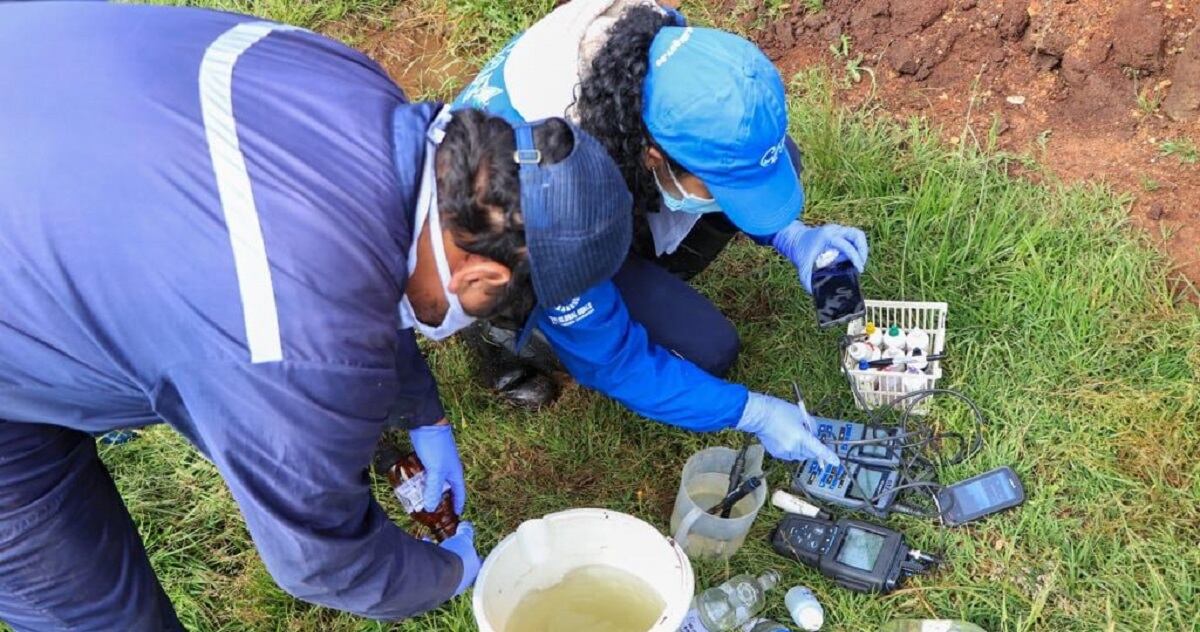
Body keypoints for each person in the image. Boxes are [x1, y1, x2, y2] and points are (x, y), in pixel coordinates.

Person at [0, 3, 633, 629]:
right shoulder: (296, 345)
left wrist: (424, 414)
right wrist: (450, 573)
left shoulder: (354, 86)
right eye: (491, 309)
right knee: (100, 616)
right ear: (485, 276)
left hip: (33, 102)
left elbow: (367, 260)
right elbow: (322, 560)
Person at [456, 2, 865, 440]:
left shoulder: (657, 43)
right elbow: (616, 364)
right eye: (718, 187)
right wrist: (752, 413)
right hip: (516, 234)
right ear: (653, 155)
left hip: (601, 169)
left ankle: (640, 279)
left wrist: (791, 235)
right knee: (707, 352)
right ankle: (510, 329)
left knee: (779, 161)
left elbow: (728, 144)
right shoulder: (554, 200)